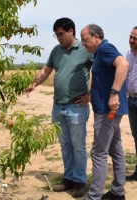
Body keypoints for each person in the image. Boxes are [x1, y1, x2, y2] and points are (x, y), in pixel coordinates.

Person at [25, 17, 93, 198]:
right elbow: (46, 70)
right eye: (56, 35)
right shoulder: (56, 51)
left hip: (77, 106)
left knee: (78, 145)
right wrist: (35, 83)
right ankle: (68, 178)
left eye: (61, 34)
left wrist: (91, 94)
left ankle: (80, 181)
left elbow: (102, 70)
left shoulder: (85, 49)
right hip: (58, 106)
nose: (58, 38)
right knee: (64, 145)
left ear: (71, 31)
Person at [81, 24, 129, 200]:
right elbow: (104, 78)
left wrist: (114, 93)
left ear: (96, 37)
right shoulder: (99, 53)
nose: (83, 43)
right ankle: (118, 192)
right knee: (116, 150)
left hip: (107, 111)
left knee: (98, 152)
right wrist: (91, 94)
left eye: (85, 39)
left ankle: (94, 197)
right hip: (109, 110)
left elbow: (123, 64)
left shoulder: (106, 48)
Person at [125, 26, 137, 181]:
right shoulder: (128, 54)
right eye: (131, 37)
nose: (131, 40)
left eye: (135, 38)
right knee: (136, 137)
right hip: (131, 100)